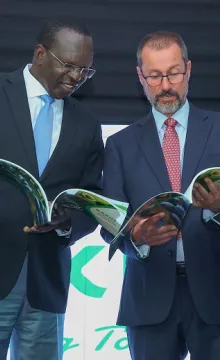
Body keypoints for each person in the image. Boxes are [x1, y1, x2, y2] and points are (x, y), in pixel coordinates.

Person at [101, 31, 220, 360]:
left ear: (188, 70)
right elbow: (109, 225)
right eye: (154, 76)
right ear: (140, 77)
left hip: (219, 295)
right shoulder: (119, 145)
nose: (165, 86)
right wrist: (136, 235)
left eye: (173, 73)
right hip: (149, 298)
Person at [0, 19, 103, 360]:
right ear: (41, 53)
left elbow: (92, 198)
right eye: (70, 66)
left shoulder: (87, 125)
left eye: (85, 71)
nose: (76, 78)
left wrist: (68, 221)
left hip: (46, 281)